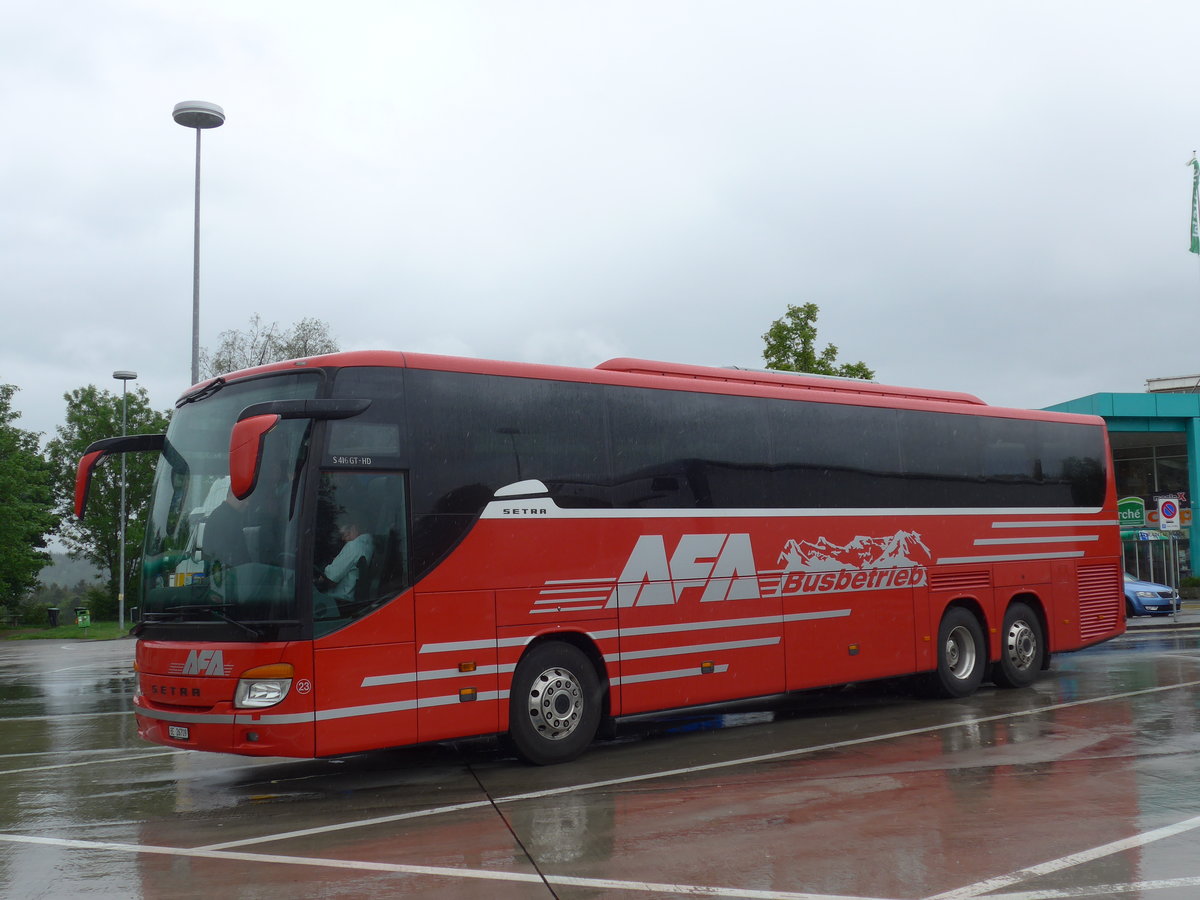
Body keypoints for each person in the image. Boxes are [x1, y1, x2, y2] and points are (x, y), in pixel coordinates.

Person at [314, 521, 374, 615]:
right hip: (354, 602)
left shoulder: (354, 546)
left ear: (355, 527)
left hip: (338, 604)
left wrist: (320, 578)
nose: (343, 538)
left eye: (345, 533)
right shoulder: (370, 546)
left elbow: (330, 579)